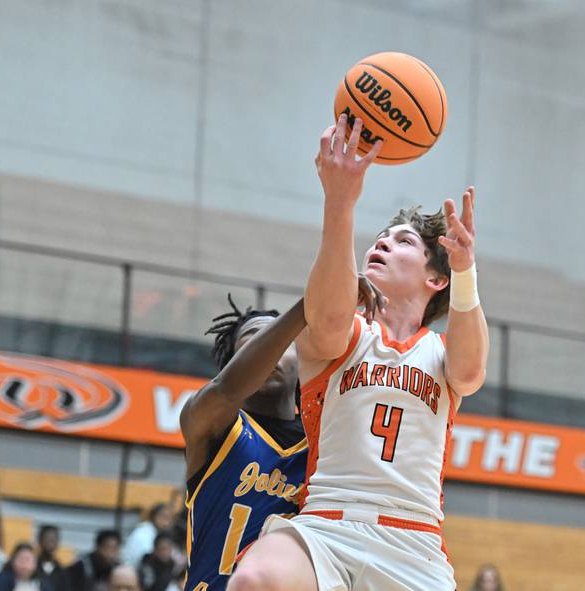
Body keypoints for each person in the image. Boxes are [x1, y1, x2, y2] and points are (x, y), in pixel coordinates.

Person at [229, 115, 488, 591]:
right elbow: (323, 315)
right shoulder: (346, 334)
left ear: (436, 278)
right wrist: (340, 200)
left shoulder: (441, 353)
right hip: (327, 523)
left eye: (403, 241)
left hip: (414, 541)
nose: (384, 243)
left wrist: (466, 270)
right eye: (380, 239)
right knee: (257, 579)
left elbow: (471, 373)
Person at [182, 284, 383, 591]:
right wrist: (313, 304)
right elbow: (226, 389)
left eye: (284, 344)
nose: (272, 350)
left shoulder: (325, 444)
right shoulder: (210, 420)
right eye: (252, 340)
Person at [35, 526, 66, 591]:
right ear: (39, 540)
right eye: (47, 539)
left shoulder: (61, 571)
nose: (50, 543)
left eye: (53, 540)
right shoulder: (31, 566)